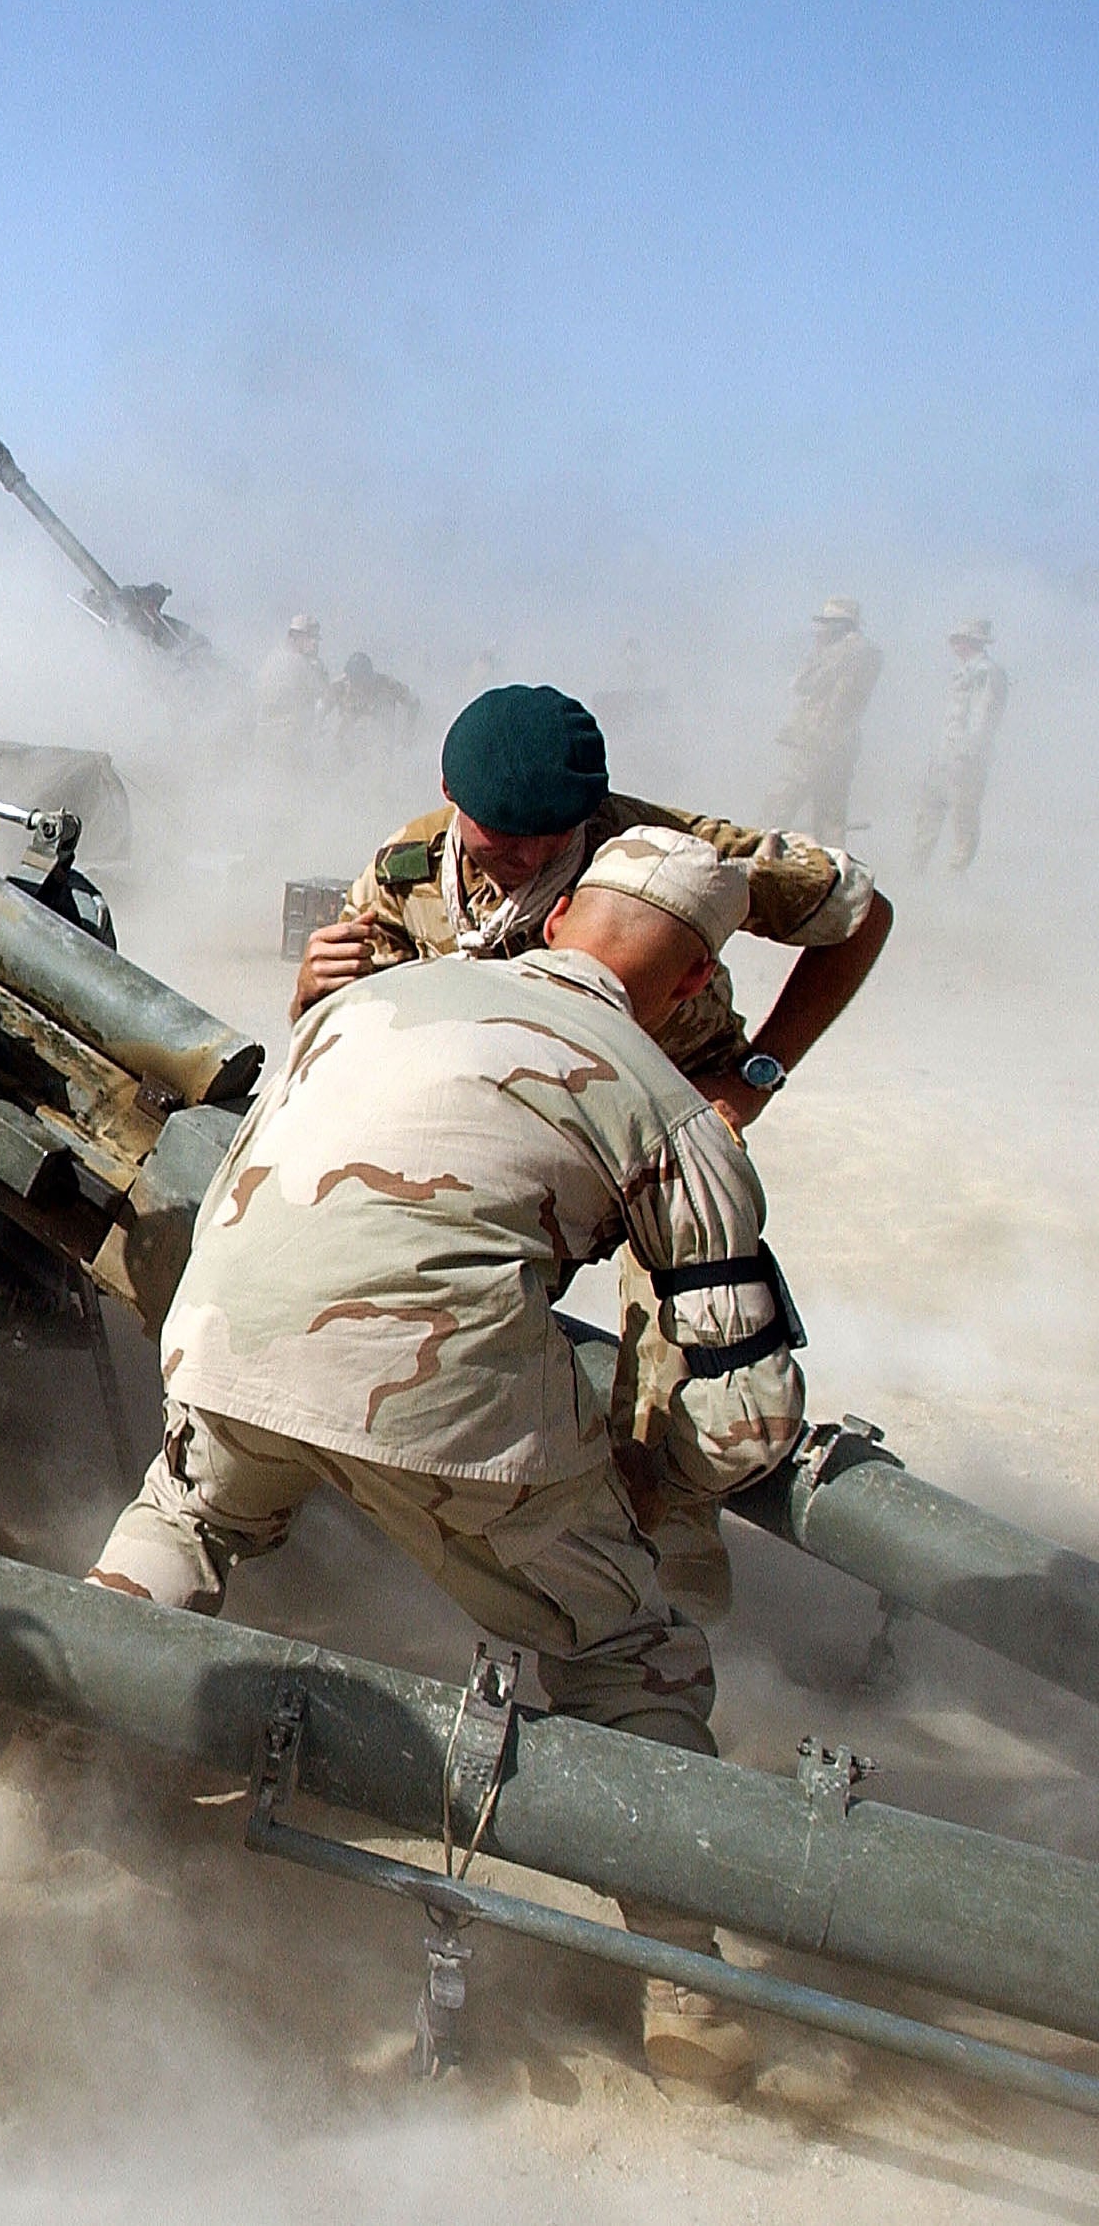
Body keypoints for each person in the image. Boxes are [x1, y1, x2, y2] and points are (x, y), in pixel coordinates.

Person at [93, 828, 808, 2092]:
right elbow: (747, 1422)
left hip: (225, 1339)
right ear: (700, 989)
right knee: (624, 1648)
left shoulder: (366, 1000)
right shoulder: (663, 1099)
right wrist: (649, 1484)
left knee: (188, 1517)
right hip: (440, 1398)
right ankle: (688, 1987)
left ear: (561, 910)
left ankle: (64, 1774)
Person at [288, 684, 887, 1617]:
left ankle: (670, 1610)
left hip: (661, 1133)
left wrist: (756, 1075)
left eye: (546, 835)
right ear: (451, 792)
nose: (522, 854)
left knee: (682, 1395)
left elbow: (860, 913)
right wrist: (310, 993)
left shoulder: (663, 857)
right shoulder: (405, 873)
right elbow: (355, 1052)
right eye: (499, 834)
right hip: (515, 1144)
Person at [772, 596, 883, 845]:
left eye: (828, 623)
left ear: (842, 625)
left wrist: (819, 651)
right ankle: (833, 875)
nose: (821, 630)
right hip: (842, 742)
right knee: (831, 817)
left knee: (778, 807)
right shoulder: (868, 652)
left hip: (818, 740)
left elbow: (801, 684)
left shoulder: (842, 651)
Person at [912, 617, 1010, 874]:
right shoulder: (964, 671)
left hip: (965, 762)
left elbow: (983, 717)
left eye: (960, 639)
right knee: (929, 815)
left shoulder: (986, 672)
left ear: (971, 642)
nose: (954, 644)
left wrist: (966, 755)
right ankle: (916, 871)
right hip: (945, 758)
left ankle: (954, 878)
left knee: (963, 821)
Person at [254, 613, 332, 753]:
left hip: (275, 738)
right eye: (309, 637)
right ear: (294, 637)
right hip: (286, 739)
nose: (314, 643)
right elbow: (323, 697)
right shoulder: (297, 663)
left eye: (316, 638)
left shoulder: (275, 659)